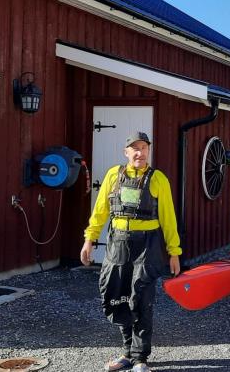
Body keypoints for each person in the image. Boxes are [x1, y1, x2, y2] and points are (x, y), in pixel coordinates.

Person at [80, 132, 181, 372]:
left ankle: (140, 358)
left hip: (147, 245)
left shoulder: (158, 180)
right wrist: (89, 239)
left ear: (148, 151)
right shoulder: (114, 176)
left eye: (144, 147)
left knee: (142, 299)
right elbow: (101, 210)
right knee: (118, 295)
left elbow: (169, 219)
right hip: (118, 243)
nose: (140, 152)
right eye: (134, 148)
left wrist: (174, 252)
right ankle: (126, 353)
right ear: (126, 152)